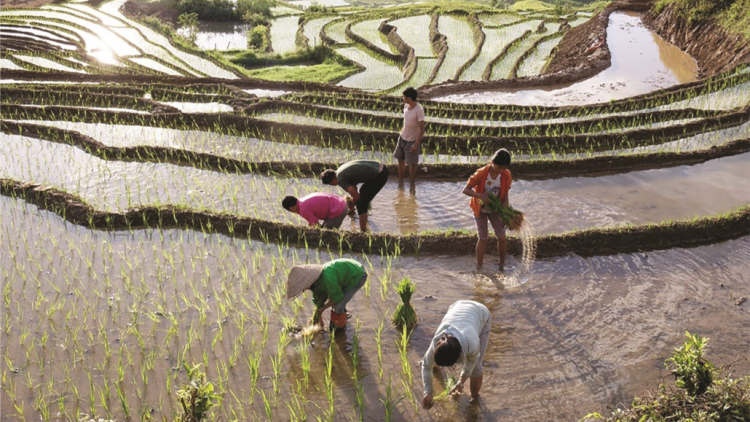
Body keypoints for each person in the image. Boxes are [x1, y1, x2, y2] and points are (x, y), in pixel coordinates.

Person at [421, 300, 491, 409]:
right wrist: (428, 392)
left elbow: (472, 361)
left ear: (459, 357)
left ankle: (474, 400)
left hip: (480, 312)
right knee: (431, 361)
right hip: (457, 306)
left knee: (476, 368)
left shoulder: (471, 341)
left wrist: (461, 383)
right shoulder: (438, 340)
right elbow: (426, 366)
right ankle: (436, 369)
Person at [462, 148, 512, 269]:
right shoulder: (481, 173)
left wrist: (505, 207)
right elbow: (466, 190)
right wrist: (480, 196)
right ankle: (479, 266)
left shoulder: (506, 175)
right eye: (499, 167)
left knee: (502, 237)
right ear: (492, 162)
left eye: (504, 168)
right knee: (483, 238)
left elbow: (505, 194)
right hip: (481, 210)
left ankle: (501, 264)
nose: (501, 170)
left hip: (495, 209)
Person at [286, 258, 367, 331]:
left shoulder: (327, 279)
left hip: (357, 274)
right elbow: (318, 302)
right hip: (343, 275)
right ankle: (342, 315)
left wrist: (323, 308)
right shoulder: (315, 284)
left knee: (338, 304)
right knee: (335, 299)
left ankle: (340, 329)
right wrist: (319, 320)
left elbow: (338, 297)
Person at [320, 160, 388, 232]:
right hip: (381, 167)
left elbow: (357, 197)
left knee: (361, 203)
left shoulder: (340, 179)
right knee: (363, 194)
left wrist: (350, 207)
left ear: (331, 182)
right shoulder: (340, 171)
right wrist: (351, 207)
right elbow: (355, 192)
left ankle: (363, 231)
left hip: (379, 175)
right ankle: (364, 218)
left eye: (331, 184)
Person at [394, 87, 426, 183]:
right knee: (400, 159)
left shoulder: (419, 110)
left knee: (412, 164)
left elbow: (422, 129)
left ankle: (412, 182)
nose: (402, 98)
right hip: (402, 138)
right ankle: (401, 180)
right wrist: (402, 131)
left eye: (403, 96)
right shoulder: (406, 107)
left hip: (412, 140)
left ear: (409, 98)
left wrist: (416, 144)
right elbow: (406, 121)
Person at [282, 193, 348, 229]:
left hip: (338, 209)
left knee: (326, 234)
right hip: (341, 202)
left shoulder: (303, 209)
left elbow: (316, 224)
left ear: (292, 208)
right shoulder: (302, 201)